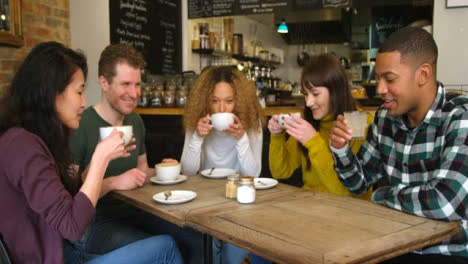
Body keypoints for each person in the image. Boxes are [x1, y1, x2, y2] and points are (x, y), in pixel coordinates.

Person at [0, 41, 182, 264]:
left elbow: (69, 199)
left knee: (179, 239)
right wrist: (101, 157)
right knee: (166, 248)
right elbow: (73, 227)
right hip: (60, 253)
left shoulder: (32, 140)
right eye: (79, 92)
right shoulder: (22, 146)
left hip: (64, 251)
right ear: (52, 94)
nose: (83, 102)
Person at [330, 27, 468, 263]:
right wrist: (341, 149)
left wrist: (382, 196)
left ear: (423, 74)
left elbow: (446, 203)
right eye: (378, 78)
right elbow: (358, 183)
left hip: (447, 252)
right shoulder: (385, 118)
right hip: (393, 246)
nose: (380, 89)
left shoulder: (460, 118)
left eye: (389, 79)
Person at [250, 54, 372, 264]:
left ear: (335, 89)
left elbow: (344, 193)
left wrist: (313, 142)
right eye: (305, 94)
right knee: (257, 246)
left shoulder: (359, 123)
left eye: (315, 93)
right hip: (309, 216)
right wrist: (277, 137)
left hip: (349, 221)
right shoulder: (311, 122)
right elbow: (281, 171)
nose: (308, 102)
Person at [180, 65, 265, 264]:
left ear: (239, 101)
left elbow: (253, 174)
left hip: (239, 201)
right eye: (214, 101)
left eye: (229, 101)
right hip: (204, 199)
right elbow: (187, 171)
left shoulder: (252, 123)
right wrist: (196, 137)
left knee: (228, 248)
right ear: (205, 101)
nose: (220, 109)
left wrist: (241, 138)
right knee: (209, 244)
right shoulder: (197, 122)